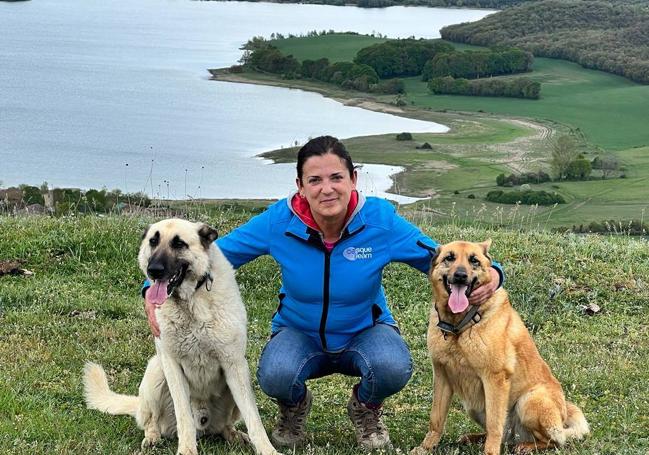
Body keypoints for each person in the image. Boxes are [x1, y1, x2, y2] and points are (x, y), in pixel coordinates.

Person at [143, 135, 504, 450]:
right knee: (275, 373)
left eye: (336, 177)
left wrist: (494, 274)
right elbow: (216, 253)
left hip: (365, 331)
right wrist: (154, 285)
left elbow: (438, 256)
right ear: (300, 184)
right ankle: (294, 406)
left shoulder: (380, 220)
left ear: (353, 179)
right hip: (298, 333)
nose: (326, 188)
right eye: (314, 180)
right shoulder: (279, 221)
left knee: (393, 366)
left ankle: (366, 407)